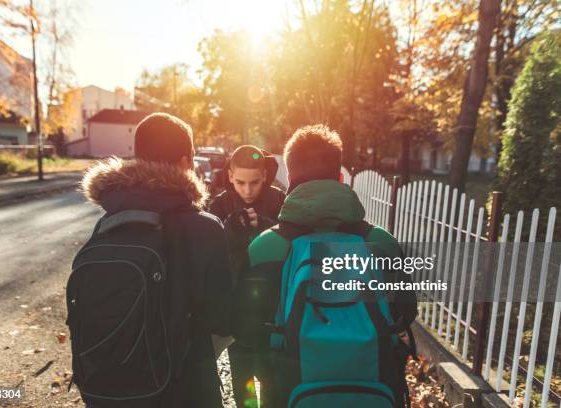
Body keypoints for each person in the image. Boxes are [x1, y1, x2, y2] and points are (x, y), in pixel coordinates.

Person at [234, 124, 418, 406]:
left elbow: (246, 334)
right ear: (341, 178)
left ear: (290, 178)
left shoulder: (264, 248)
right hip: (372, 390)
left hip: (289, 392)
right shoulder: (381, 243)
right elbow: (405, 313)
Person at [74, 113, 232, 407]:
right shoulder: (206, 228)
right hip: (186, 388)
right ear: (187, 162)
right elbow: (223, 319)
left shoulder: (108, 222)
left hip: (111, 388)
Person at [207, 145, 285, 407]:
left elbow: (290, 249)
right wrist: (229, 234)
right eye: (240, 182)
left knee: (273, 390)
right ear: (229, 176)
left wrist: (266, 229)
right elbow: (209, 263)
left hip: (273, 313)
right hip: (236, 314)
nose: (248, 190)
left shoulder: (279, 202)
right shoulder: (218, 205)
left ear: (265, 175)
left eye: (254, 182)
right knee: (244, 391)